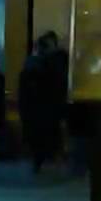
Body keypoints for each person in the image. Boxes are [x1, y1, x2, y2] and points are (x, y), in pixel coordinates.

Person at [18, 31, 69, 173]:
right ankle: (50, 158)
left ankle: (40, 160)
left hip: (36, 107)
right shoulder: (58, 60)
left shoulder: (33, 63)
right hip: (50, 106)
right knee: (51, 133)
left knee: (39, 136)